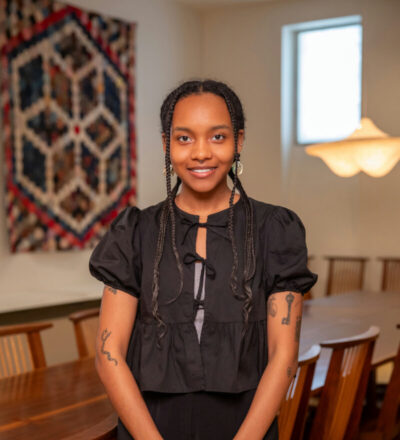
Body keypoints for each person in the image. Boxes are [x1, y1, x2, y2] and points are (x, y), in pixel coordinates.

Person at [89, 79, 318, 440]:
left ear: (238, 142)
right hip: (150, 426)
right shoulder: (134, 231)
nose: (200, 153)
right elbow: (108, 354)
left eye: (217, 137)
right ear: (167, 145)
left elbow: (283, 355)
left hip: (247, 426)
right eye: (184, 138)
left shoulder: (275, 229)